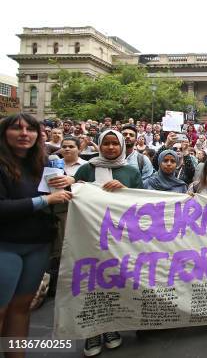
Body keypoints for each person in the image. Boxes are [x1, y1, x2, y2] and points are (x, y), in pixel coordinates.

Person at [0, 113, 73, 355]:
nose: (24, 134)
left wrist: (71, 181)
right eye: (16, 129)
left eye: (30, 129)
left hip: (38, 244)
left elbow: (60, 194)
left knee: (21, 308)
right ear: (4, 133)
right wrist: (44, 200)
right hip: (6, 244)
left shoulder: (44, 164)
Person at [73, 129, 143, 357]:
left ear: (122, 146)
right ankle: (92, 331)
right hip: (90, 235)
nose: (111, 148)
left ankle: (111, 327)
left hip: (120, 237)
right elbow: (75, 193)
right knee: (90, 281)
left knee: (114, 280)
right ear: (100, 146)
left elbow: (143, 202)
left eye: (115, 144)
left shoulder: (131, 171)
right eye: (107, 144)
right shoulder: (87, 167)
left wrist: (126, 190)